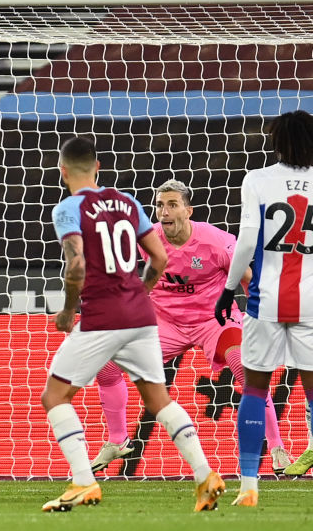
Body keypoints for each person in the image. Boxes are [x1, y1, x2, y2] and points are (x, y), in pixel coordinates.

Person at [42, 137, 224, 512]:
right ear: (98, 168)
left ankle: (83, 482)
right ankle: (206, 476)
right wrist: (139, 293)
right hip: (140, 315)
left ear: (63, 172)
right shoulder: (128, 203)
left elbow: (76, 266)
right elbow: (159, 257)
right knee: (158, 399)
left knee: (55, 396)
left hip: (102, 316)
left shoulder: (68, 209)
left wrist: (68, 311)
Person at [90, 179, 290, 474]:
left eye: (172, 205)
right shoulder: (147, 239)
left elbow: (248, 280)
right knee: (105, 364)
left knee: (245, 368)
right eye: (160, 205)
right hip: (165, 322)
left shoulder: (216, 242)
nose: (164, 211)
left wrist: (263, 322)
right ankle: (118, 439)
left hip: (214, 321)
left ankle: (276, 447)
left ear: (188, 210)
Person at [215, 110, 313, 507]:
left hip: (264, 302)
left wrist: (229, 288)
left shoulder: (257, 179)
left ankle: (249, 486)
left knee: (254, 390)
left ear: (278, 141)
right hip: (312, 304)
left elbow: (247, 241)